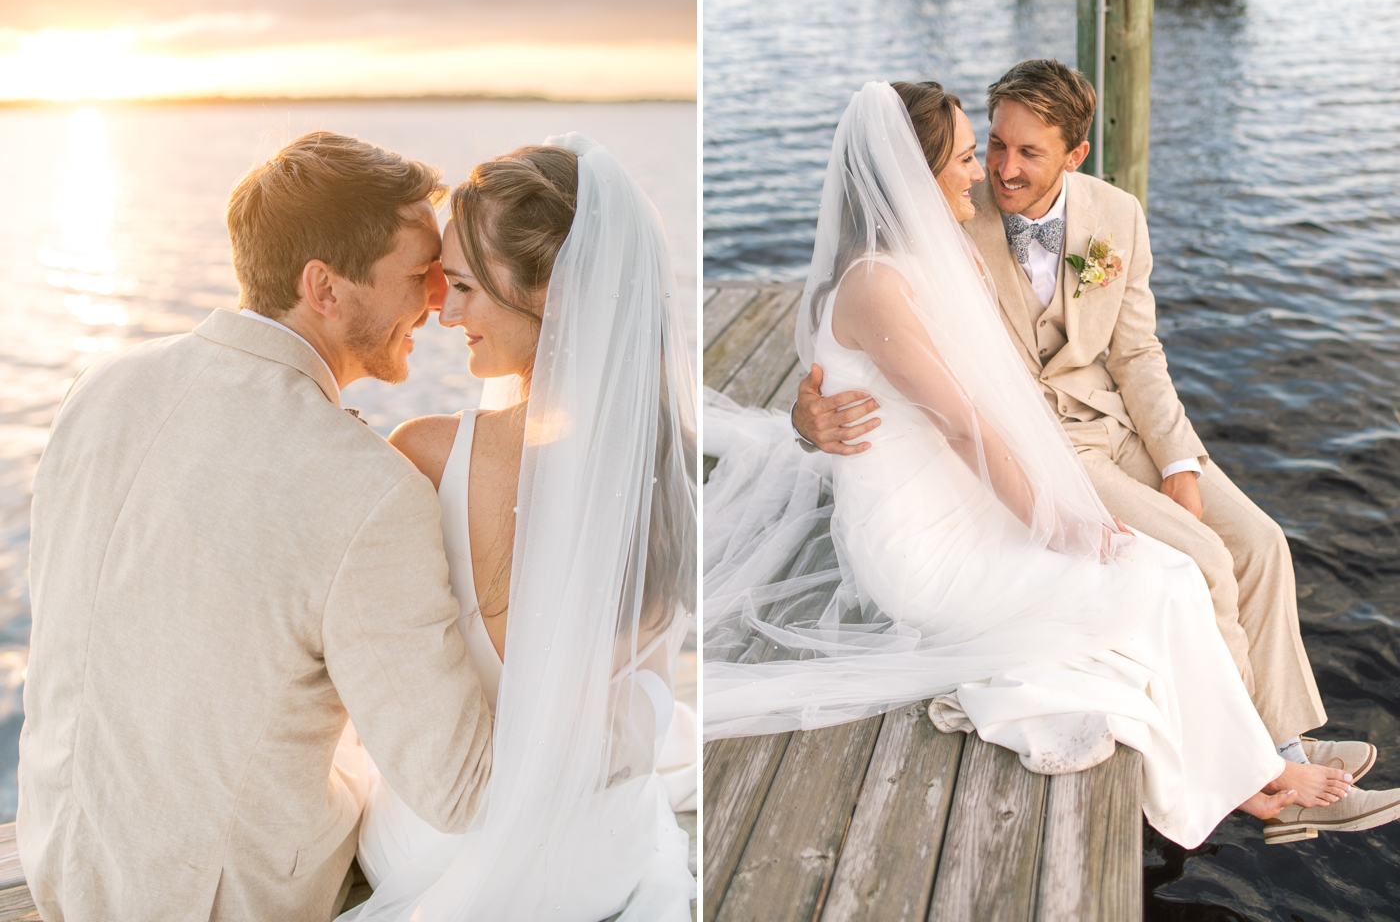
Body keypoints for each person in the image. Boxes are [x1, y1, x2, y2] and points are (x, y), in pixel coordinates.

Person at [704, 83, 1400, 847]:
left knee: (1255, 544)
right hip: (940, 526)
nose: (990, 171)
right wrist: (1050, 515)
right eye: (976, 153)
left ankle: (1278, 741)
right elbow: (959, 421)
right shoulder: (905, 266)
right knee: (1176, 570)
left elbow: (1136, 352)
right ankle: (1265, 781)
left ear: (1075, 153)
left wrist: (1178, 460)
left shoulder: (1090, 219)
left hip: (1064, 448)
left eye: (1018, 152)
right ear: (917, 172)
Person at [17, 133, 494, 922]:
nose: (441, 301)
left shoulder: (100, 385)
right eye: (420, 275)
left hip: (60, 863)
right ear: (325, 288)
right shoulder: (369, 488)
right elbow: (457, 787)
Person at [342, 137, 696, 922]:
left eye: (464, 285)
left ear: (558, 297)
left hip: (445, 846)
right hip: (600, 854)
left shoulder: (427, 454)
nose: (443, 310)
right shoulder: (665, 457)